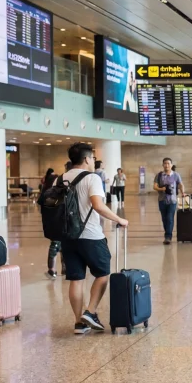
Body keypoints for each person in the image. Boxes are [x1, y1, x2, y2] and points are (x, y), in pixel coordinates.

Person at [60, 143, 128, 334]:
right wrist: (119, 219)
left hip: (68, 236)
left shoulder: (61, 178)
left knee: (76, 279)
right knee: (103, 273)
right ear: (87, 159)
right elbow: (98, 205)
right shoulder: (92, 178)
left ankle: (78, 323)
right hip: (90, 235)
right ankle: (90, 312)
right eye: (92, 157)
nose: (93, 161)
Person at [153, 158, 184, 245]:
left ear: (171, 165)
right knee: (164, 219)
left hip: (172, 200)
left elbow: (181, 184)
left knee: (170, 218)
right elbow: (154, 186)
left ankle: (168, 236)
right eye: (165, 164)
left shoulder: (176, 175)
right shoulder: (159, 175)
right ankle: (167, 234)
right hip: (162, 200)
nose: (167, 165)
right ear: (163, 165)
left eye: (168, 163)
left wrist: (183, 193)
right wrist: (161, 188)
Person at [40, 167, 63, 279]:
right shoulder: (59, 193)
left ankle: (53, 270)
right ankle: (60, 269)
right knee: (61, 245)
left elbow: (44, 209)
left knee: (56, 245)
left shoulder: (45, 193)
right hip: (60, 223)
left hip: (51, 224)